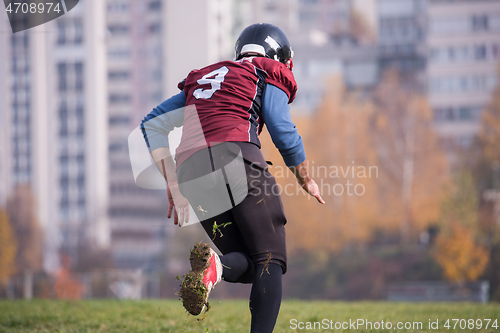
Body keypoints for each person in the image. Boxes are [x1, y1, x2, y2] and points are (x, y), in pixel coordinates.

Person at [141, 23, 324, 333]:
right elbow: (282, 130)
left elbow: (152, 124)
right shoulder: (268, 70)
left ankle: (214, 268)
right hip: (237, 156)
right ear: (282, 58)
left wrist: (172, 182)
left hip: (191, 173)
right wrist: (305, 178)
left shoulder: (201, 78)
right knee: (271, 260)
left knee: (250, 265)